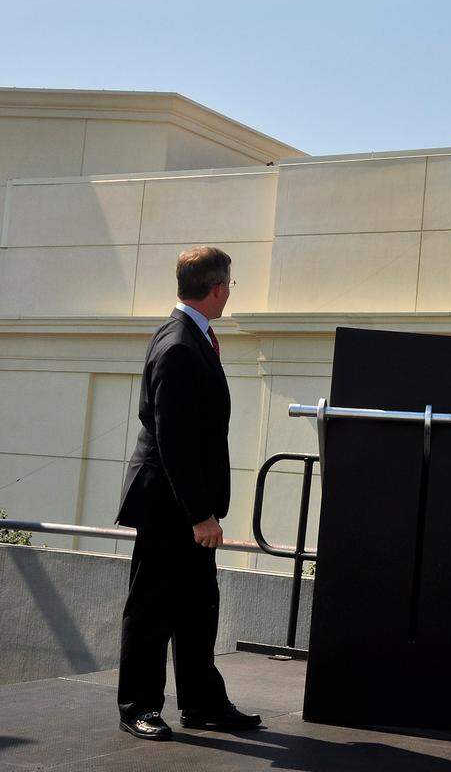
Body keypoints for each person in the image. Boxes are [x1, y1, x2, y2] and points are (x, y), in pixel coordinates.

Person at [115, 246, 261, 740]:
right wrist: (201, 514)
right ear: (217, 289)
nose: (228, 295)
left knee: (198, 607)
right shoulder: (179, 345)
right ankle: (139, 705)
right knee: (152, 608)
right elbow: (173, 440)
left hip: (186, 505)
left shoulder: (191, 338)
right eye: (229, 287)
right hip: (168, 507)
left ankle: (202, 703)